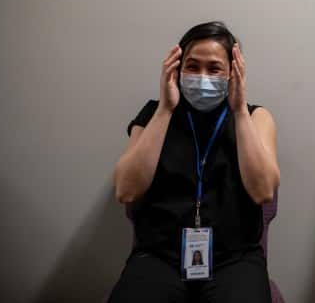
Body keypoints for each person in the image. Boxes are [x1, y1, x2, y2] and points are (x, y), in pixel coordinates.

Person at [109, 21, 280, 303]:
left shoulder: (256, 117)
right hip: (159, 256)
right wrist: (165, 109)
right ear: (176, 70)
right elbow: (126, 190)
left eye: (214, 69)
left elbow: (263, 191)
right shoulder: (153, 113)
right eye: (192, 66)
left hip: (234, 260)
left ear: (233, 73)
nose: (202, 76)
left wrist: (238, 110)